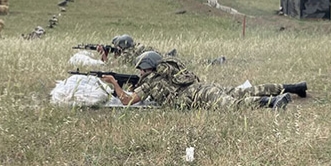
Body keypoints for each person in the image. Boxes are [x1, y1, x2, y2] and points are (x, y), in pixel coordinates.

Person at [103, 51, 307, 110]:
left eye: (140, 70)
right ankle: (295, 87)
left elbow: (127, 101)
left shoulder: (151, 83)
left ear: (146, 68)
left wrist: (114, 83)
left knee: (232, 105)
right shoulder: (169, 70)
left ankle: (271, 102)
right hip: (203, 87)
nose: (139, 73)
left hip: (199, 96)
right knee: (246, 90)